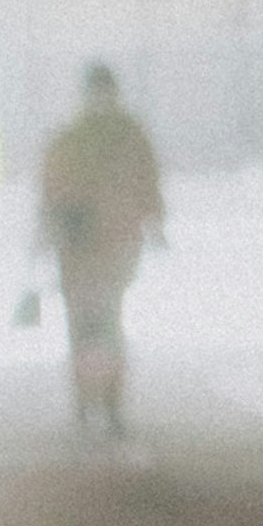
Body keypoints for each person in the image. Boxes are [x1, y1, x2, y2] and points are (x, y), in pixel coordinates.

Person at [35, 61, 165, 439]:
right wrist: (155, 224)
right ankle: (109, 402)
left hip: (76, 246)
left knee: (81, 325)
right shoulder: (130, 135)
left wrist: (45, 233)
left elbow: (51, 190)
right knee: (109, 321)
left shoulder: (70, 137)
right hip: (119, 244)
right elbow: (149, 183)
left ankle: (85, 399)